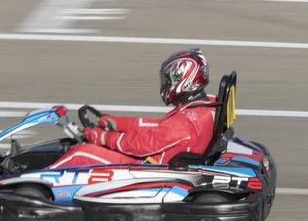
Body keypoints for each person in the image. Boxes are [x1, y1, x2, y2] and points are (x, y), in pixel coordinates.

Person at [48, 49, 217, 169]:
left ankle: (35, 183)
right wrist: (120, 124)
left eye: (168, 80)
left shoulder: (185, 121)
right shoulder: (201, 107)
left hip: (146, 167)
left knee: (81, 153)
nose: (165, 85)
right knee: (87, 145)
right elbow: (158, 128)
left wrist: (105, 138)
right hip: (155, 158)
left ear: (183, 80)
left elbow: (144, 145)